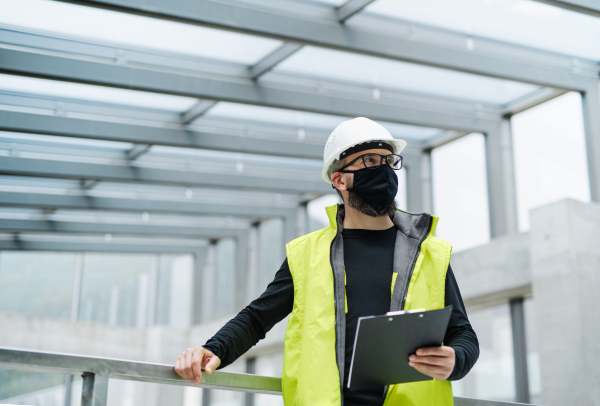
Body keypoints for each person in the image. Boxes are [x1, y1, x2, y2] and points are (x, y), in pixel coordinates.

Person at [175, 117, 479, 406]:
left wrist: (455, 359)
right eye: (371, 161)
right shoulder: (307, 254)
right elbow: (257, 318)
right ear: (340, 180)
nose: (385, 170)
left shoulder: (429, 252)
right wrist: (212, 349)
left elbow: (463, 334)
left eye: (389, 161)